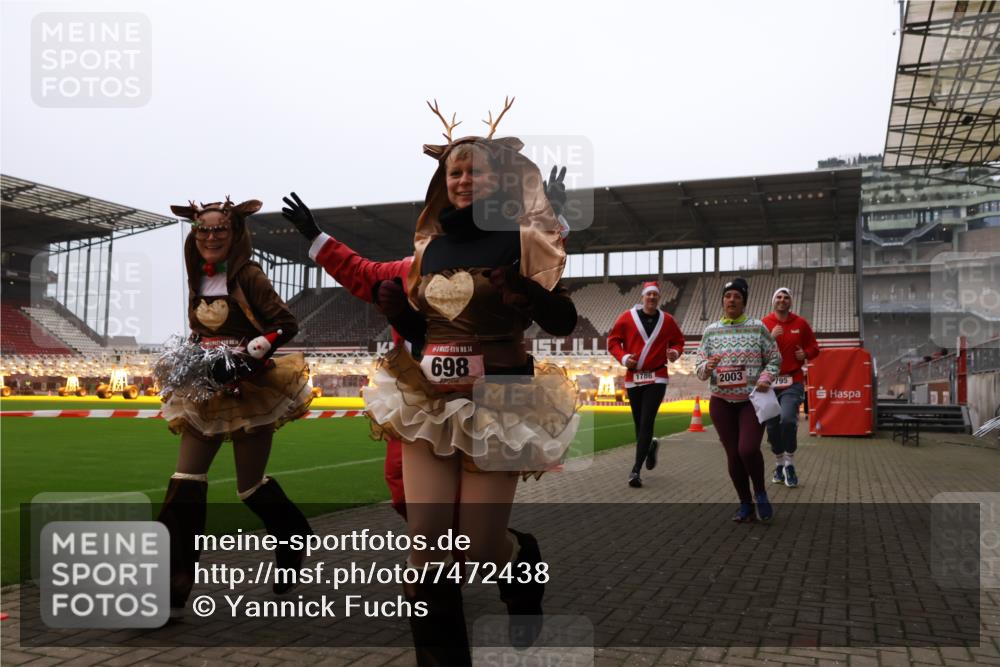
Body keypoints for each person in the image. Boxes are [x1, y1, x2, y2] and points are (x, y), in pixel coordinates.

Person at [362, 98, 579, 664]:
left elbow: (562, 319)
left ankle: (519, 559)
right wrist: (398, 309)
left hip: (500, 396)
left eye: (473, 170)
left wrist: (525, 293)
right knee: (427, 547)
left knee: (481, 544)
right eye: (453, 171)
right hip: (431, 397)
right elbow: (427, 329)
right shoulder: (431, 246)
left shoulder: (520, 236)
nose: (461, 179)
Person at [279, 166, 568, 518]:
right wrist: (316, 237)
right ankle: (456, 555)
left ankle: (485, 554)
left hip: (493, 393)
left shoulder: (507, 250)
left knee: (470, 512)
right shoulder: (413, 267)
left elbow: (539, 270)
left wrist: (546, 219)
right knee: (403, 489)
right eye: (455, 175)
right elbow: (360, 272)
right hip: (426, 394)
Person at [158, 198, 314, 616]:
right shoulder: (196, 276)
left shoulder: (249, 275)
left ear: (236, 232)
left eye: (219, 229)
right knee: (185, 479)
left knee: (249, 485)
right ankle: (172, 587)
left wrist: (249, 356)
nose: (210, 237)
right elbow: (200, 330)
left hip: (250, 387)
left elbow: (286, 324)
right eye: (203, 230)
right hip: (204, 387)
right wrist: (187, 363)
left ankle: (292, 535)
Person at [695, 277, 780, 523]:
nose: (732, 300)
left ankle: (760, 492)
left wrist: (765, 376)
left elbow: (774, 358)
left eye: (737, 296)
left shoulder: (758, 328)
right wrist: (706, 367)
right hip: (721, 402)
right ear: (723, 301)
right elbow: (699, 368)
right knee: (733, 454)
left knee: (748, 449)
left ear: (744, 302)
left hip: (752, 400)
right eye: (728, 296)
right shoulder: (710, 331)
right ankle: (745, 504)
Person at [607, 281, 685, 487]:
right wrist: (624, 358)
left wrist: (674, 352)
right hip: (634, 378)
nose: (652, 298)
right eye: (648, 294)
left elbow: (679, 341)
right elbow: (613, 342)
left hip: (657, 376)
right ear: (642, 297)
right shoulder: (626, 318)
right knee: (638, 424)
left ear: (659, 298)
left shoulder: (667, 320)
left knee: (647, 421)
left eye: (655, 295)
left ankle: (635, 470)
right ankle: (650, 447)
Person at [761, 287, 819, 488]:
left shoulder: (801, 323)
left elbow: (814, 348)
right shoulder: (764, 323)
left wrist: (806, 354)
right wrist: (770, 338)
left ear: (791, 302)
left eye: (786, 297)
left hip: (792, 381)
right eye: (779, 297)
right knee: (772, 426)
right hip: (769, 383)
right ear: (773, 301)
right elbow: (755, 352)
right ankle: (779, 463)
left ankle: (790, 464)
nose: (782, 300)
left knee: (787, 420)